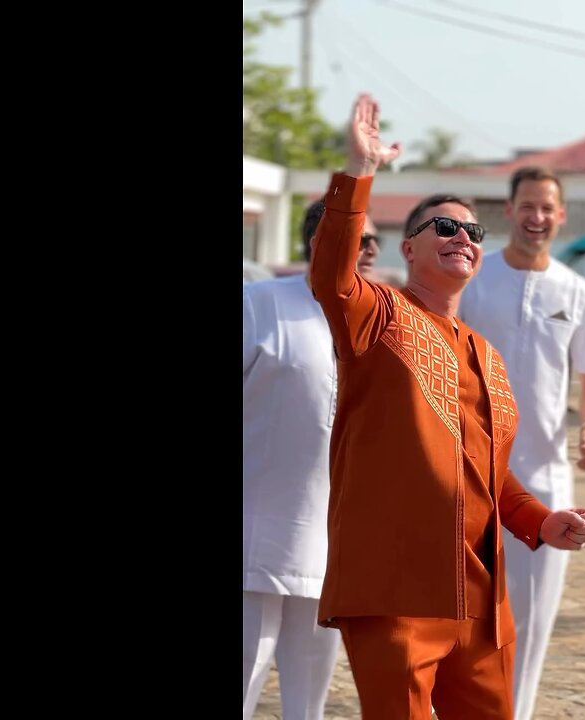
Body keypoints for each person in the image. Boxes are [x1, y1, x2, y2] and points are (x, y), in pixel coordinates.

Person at [309, 93, 585, 719]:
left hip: (481, 599)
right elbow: (330, 274)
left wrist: (540, 522)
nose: (462, 237)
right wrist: (359, 173)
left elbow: (489, 475)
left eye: (472, 230)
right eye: (444, 226)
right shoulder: (376, 316)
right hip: (396, 589)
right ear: (407, 250)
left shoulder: (487, 358)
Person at [457, 165, 585, 720]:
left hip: (545, 478)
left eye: (547, 207)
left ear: (562, 215)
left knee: (529, 621)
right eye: (528, 205)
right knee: (458, 615)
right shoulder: (475, 278)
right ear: (510, 210)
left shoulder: (576, 291)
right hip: (467, 470)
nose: (537, 217)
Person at [242, 199, 382, 719]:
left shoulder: (381, 321)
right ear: (320, 240)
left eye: (375, 240)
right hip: (254, 537)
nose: (371, 249)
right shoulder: (258, 304)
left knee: (308, 703)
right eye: (359, 237)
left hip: (335, 547)